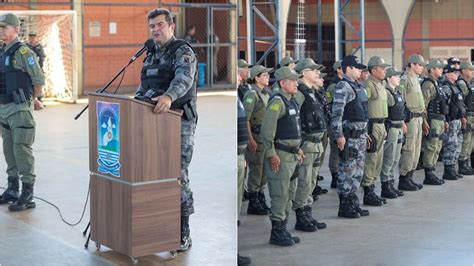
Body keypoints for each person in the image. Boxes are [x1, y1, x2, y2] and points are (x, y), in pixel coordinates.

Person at [134, 8, 198, 251]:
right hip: (152, 123)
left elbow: (184, 80)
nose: (155, 30)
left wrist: (169, 97)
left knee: (177, 175)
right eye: (152, 26)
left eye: (160, 25)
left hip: (179, 121)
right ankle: (158, 225)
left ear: (171, 26)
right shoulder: (150, 53)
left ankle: (183, 232)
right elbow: (144, 88)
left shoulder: (182, 51)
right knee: (153, 173)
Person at [0, 13, 45, 211]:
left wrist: (33, 100)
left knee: (22, 149)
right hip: (4, 109)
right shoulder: (3, 51)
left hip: (19, 108)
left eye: (5, 27)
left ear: (16, 30)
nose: (1, 31)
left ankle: (27, 193)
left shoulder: (24, 52)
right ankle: (12, 189)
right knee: (9, 150)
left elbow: (38, 79)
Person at [261, 66, 303, 246]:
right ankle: (277, 232)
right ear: (283, 83)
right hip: (281, 155)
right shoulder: (277, 102)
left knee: (289, 193)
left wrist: (298, 148)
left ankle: (283, 228)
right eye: (292, 80)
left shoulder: (291, 100)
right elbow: (267, 130)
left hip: (292, 155)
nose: (296, 83)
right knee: (280, 194)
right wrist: (271, 154)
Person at [330, 55, 369, 218]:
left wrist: (365, 134)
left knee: (358, 172)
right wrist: (338, 136)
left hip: (360, 136)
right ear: (348, 68)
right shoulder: (343, 86)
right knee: (347, 170)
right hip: (349, 137)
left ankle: (353, 202)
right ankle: (344, 205)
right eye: (357, 67)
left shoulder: (358, 86)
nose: (360, 70)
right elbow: (336, 114)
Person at [292, 58, 327, 232]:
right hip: (306, 143)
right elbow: (294, 120)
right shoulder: (299, 93)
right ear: (304, 73)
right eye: (313, 70)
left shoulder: (312, 92)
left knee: (311, 181)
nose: (317, 73)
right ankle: (300, 216)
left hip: (316, 143)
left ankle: (308, 212)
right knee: (304, 180)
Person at [243, 64, 272, 215]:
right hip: (256, 138)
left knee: (264, 171)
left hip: (265, 139)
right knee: (256, 171)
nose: (267, 78)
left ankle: (260, 197)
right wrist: (250, 140)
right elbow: (246, 119)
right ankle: (253, 201)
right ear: (256, 78)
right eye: (265, 75)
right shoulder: (251, 95)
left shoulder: (266, 93)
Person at [361, 56, 390, 206]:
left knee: (378, 159)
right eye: (382, 68)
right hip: (373, 125)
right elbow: (363, 105)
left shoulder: (380, 84)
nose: (385, 71)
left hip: (382, 124)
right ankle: (367, 190)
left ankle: (372, 187)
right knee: (371, 159)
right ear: (373, 70)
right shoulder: (369, 85)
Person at [398, 54, 426, 191]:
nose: (422, 67)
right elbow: (401, 102)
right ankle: (404, 178)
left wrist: (424, 120)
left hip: (418, 118)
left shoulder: (416, 79)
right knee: (408, 148)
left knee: (416, 149)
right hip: (410, 120)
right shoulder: (405, 79)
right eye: (420, 65)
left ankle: (410, 176)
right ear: (413, 65)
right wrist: (402, 121)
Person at [420, 59, 448, 186]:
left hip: (439, 119)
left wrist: (444, 120)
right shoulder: (428, 84)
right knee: (431, 146)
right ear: (431, 69)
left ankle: (432, 170)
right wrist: (424, 121)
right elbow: (424, 105)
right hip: (432, 119)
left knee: (437, 146)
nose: (441, 70)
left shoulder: (436, 83)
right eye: (439, 68)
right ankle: (428, 174)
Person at [380, 67, 406, 198]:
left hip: (399, 127)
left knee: (395, 158)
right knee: (388, 158)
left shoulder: (397, 92)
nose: (398, 78)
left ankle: (391, 183)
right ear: (389, 78)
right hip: (391, 128)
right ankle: (385, 185)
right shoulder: (387, 93)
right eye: (395, 76)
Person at [441, 64, 467, 180]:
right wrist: (446, 120)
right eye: (453, 72)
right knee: (450, 145)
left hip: (458, 120)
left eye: (457, 72)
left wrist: (462, 117)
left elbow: (460, 104)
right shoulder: (446, 87)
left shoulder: (455, 86)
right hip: (451, 120)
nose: (456, 74)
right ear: (447, 74)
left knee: (457, 145)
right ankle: (448, 170)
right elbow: (444, 105)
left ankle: (453, 169)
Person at [237, 72, 251, 266]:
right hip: (235, 155)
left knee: (238, 200)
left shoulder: (238, 97)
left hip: (240, 154)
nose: (240, 77)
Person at [324, 60, 343, 189]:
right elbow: (329, 105)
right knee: (335, 149)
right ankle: (334, 175)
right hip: (334, 121)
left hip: (344, 121)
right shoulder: (333, 86)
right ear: (339, 69)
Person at [456, 61, 474, 175]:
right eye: (470, 69)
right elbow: (460, 102)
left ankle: (467, 163)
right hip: (467, 115)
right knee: (466, 140)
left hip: (472, 114)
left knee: (471, 141)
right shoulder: (462, 83)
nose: (472, 71)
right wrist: (463, 116)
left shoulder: (469, 82)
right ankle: (462, 164)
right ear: (463, 71)